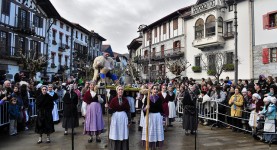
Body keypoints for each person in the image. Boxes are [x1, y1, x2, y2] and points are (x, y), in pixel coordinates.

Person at [141, 85, 164, 149]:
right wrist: (146, 108)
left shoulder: (159, 99)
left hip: (157, 117)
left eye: (156, 89)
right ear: (151, 90)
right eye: (154, 89)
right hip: (150, 117)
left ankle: (154, 147)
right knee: (150, 132)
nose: (155, 90)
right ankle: (150, 146)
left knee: (156, 133)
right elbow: (144, 109)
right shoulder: (147, 98)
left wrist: (163, 119)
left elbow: (161, 109)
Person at [108, 85, 131, 150]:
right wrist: (107, 107)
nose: (120, 91)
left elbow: (128, 110)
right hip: (115, 118)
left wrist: (129, 121)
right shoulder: (113, 100)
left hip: (123, 118)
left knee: (123, 133)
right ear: (117, 91)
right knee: (116, 133)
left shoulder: (125, 100)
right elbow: (110, 111)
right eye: (119, 89)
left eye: (122, 90)